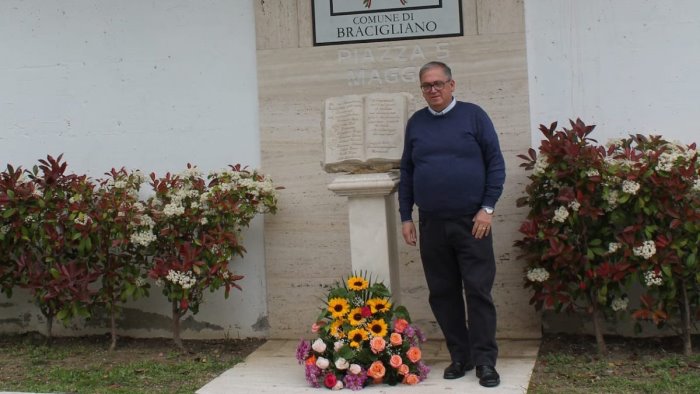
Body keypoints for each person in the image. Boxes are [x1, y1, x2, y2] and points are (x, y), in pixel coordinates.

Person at [398, 61, 505, 388]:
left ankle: (486, 361)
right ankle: (461, 356)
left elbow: (495, 164)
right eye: (426, 85)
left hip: (473, 223)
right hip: (431, 224)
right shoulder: (416, 123)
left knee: (478, 291)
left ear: (452, 84)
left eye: (438, 84)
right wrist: (405, 216)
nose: (433, 90)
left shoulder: (474, 115)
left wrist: (487, 209)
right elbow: (407, 172)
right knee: (442, 293)